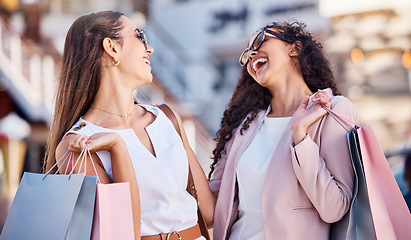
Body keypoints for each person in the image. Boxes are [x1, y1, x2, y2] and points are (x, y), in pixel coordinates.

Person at [43, 10, 214, 239]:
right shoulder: (77, 144)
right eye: (139, 36)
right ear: (112, 48)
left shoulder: (167, 118)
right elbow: (121, 233)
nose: (149, 48)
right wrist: (117, 147)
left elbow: (209, 213)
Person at [208, 21, 358, 240]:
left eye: (260, 40)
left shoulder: (333, 110)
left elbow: (335, 207)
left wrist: (301, 136)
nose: (251, 55)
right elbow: (213, 198)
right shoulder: (243, 126)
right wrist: (178, 137)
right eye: (246, 54)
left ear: (294, 48)